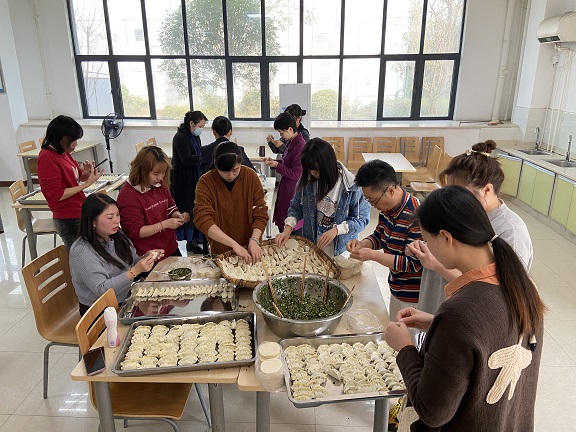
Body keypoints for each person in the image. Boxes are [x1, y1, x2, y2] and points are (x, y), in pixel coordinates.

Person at [385, 185, 545, 432]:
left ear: (445, 238)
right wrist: (436, 324)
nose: (427, 248)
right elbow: (489, 339)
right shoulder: (521, 285)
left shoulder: (460, 312)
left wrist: (405, 348)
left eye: (427, 240)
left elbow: (432, 411)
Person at [408, 140, 534, 315]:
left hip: (465, 318)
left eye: (458, 194)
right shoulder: (456, 212)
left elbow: (495, 295)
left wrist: (436, 264)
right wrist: (425, 246)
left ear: (487, 190)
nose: (451, 200)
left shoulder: (510, 231)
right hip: (437, 310)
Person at [346, 160, 422, 319]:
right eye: (368, 201)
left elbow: (412, 264)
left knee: (407, 332)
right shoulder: (388, 209)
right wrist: (362, 244)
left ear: (391, 190)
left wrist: (372, 255)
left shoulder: (416, 216)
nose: (373, 206)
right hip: (396, 287)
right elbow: (379, 236)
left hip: (413, 296)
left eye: (374, 200)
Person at [69, 193, 164, 316]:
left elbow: (132, 261)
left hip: (126, 298)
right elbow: (102, 290)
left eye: (118, 215)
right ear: (93, 222)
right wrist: (134, 271)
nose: (116, 221)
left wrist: (146, 258)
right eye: (110, 217)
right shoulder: (82, 251)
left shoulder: (116, 234)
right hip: (100, 310)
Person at [275, 138, 371, 257]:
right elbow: (296, 207)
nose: (313, 175)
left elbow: (361, 219)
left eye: (316, 172)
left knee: (335, 268)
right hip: (313, 245)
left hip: (340, 250)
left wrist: (336, 230)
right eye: (310, 171)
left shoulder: (351, 186)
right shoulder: (308, 181)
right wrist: (287, 229)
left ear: (328, 166)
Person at [194, 141, 268, 263]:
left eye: (235, 170)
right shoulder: (205, 182)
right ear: (216, 165)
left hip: (251, 249)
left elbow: (260, 212)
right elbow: (203, 219)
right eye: (224, 171)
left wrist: (254, 239)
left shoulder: (250, 176)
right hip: (222, 251)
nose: (230, 175)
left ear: (240, 163)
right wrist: (233, 244)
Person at [37, 115, 103, 249]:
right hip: (67, 217)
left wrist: (85, 174)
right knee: (78, 255)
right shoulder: (47, 158)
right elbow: (57, 194)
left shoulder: (63, 153)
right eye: (73, 140)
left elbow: (76, 177)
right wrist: (87, 184)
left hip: (78, 210)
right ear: (61, 138)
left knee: (91, 250)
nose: (75, 144)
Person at [117, 146, 189, 257]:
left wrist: (177, 215)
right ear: (142, 170)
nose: (160, 178)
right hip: (149, 255)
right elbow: (135, 231)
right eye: (156, 174)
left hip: (170, 247)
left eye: (163, 173)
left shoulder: (159, 184)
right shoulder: (128, 196)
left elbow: (170, 206)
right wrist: (163, 225)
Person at [170, 110, 207, 254]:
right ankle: (189, 242)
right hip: (183, 180)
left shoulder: (194, 136)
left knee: (195, 206)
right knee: (187, 208)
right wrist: (205, 155)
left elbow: (199, 153)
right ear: (191, 123)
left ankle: (196, 237)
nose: (201, 129)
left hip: (194, 176)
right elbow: (186, 159)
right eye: (200, 126)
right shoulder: (180, 138)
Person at [262, 112, 306, 232]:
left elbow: (296, 174)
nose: (280, 135)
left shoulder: (300, 146)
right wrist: (273, 162)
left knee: (289, 224)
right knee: (283, 220)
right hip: (286, 186)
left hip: (293, 189)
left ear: (290, 129)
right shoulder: (292, 142)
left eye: (281, 132)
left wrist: (277, 165)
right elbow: (287, 162)